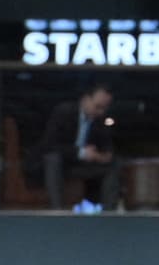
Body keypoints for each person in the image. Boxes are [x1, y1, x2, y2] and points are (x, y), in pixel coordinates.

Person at [37, 82, 115, 211]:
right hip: (62, 162)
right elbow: (50, 145)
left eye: (104, 108)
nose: (101, 112)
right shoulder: (63, 112)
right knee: (53, 159)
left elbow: (107, 148)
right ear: (85, 100)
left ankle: (107, 211)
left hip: (84, 165)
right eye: (98, 107)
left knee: (113, 166)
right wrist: (82, 152)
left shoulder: (100, 121)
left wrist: (101, 156)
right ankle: (57, 209)